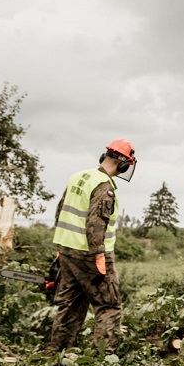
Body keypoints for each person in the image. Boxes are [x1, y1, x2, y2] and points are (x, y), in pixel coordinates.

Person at [47, 139, 137, 354]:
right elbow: (96, 224)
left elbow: (60, 213)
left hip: (68, 251)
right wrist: (99, 257)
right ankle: (102, 361)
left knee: (71, 305)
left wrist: (61, 249)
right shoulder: (104, 187)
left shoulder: (78, 177)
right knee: (109, 306)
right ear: (123, 163)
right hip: (92, 254)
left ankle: (55, 354)